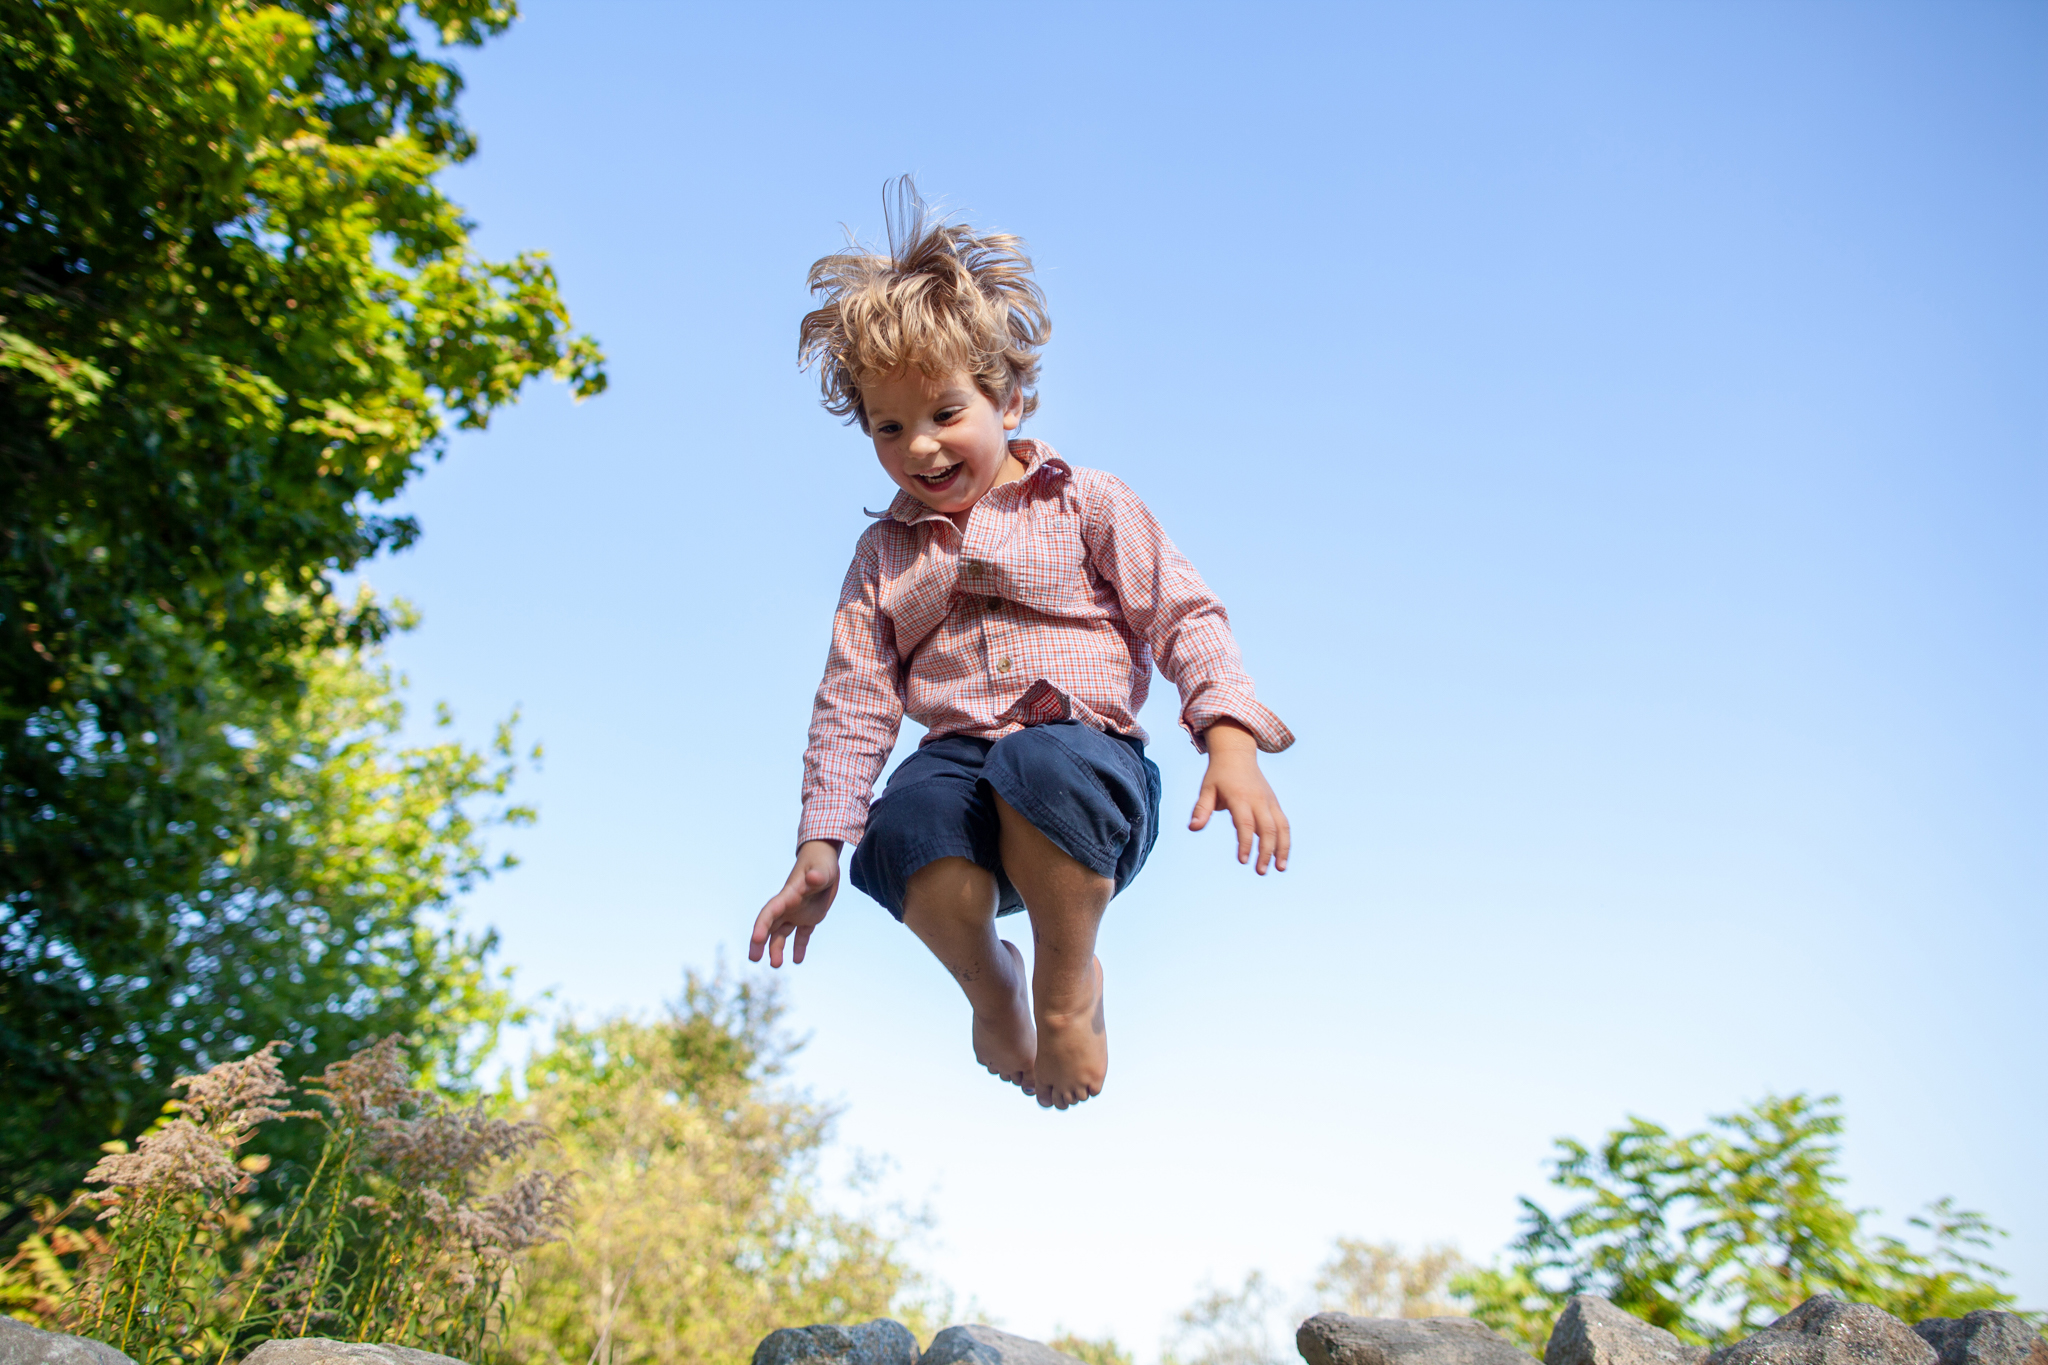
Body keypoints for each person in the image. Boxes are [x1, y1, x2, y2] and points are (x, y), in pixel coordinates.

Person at [748, 180, 1293, 1110]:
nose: (919, 447)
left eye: (945, 413)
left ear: (1007, 394)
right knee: (904, 824)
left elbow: (1184, 614)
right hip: (959, 774)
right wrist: (820, 841)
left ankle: (1066, 980)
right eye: (889, 426)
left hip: (1084, 772)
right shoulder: (884, 555)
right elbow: (853, 698)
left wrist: (1230, 739)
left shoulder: (1086, 502)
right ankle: (991, 983)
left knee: (1041, 763)